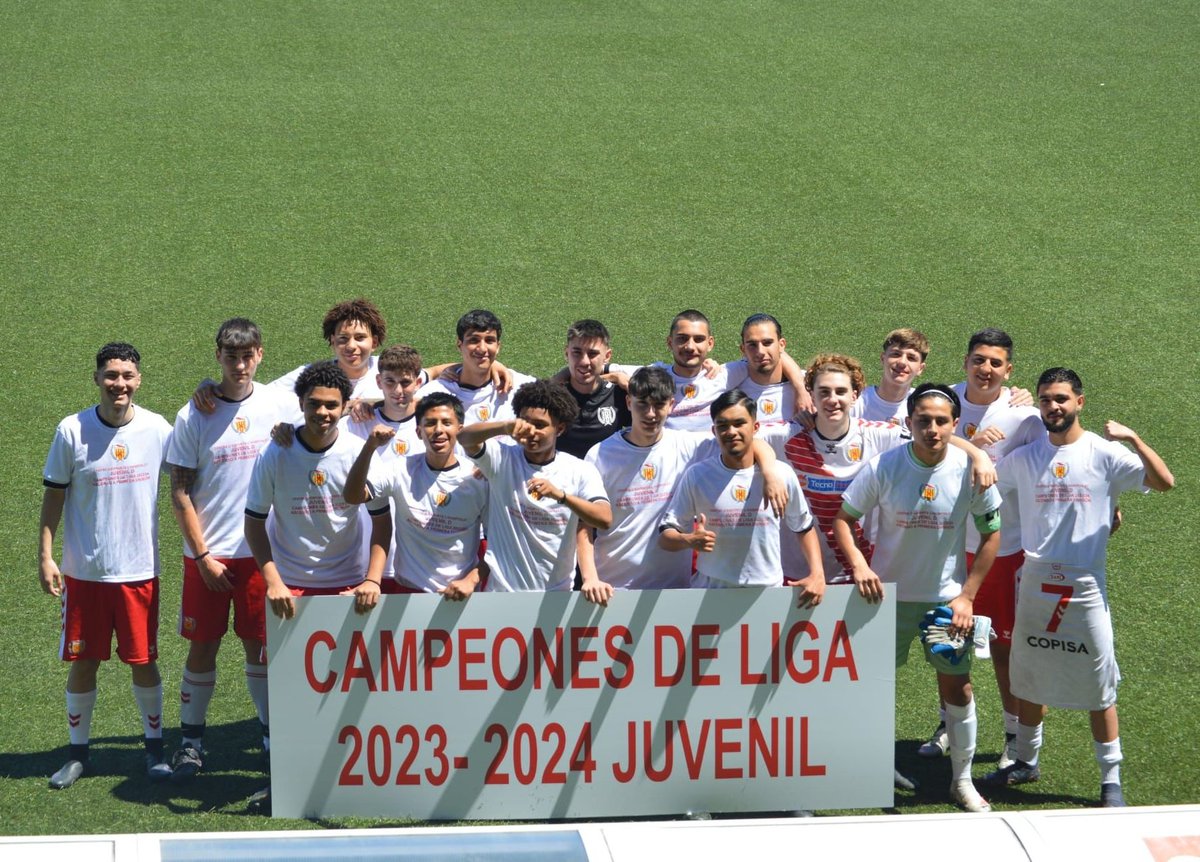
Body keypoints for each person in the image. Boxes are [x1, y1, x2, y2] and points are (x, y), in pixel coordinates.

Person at [982, 368, 1173, 807]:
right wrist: (972, 445)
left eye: (1061, 399)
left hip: (1084, 586)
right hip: (1033, 580)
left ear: (1079, 402)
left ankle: (1111, 780)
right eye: (1046, 399)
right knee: (1028, 679)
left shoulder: (1105, 452)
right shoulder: (1025, 457)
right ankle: (1026, 761)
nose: (1053, 407)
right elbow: (982, 481)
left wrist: (1133, 438)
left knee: (1098, 685)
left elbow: (1164, 482)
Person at [833, 383, 1003, 812]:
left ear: (955, 424)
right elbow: (843, 519)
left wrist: (967, 596)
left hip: (946, 604)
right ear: (908, 422)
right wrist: (860, 566)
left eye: (941, 421)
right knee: (873, 687)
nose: (933, 429)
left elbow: (992, 535)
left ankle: (961, 781)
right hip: (885, 601)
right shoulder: (885, 466)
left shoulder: (970, 470)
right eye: (923, 420)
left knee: (958, 688)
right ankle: (871, 767)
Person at [165, 319, 297, 782]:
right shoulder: (193, 414)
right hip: (209, 555)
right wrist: (203, 557)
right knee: (203, 645)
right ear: (217, 356)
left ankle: (270, 739)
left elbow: (345, 389)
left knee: (260, 647)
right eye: (231, 357)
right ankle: (191, 743)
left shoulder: (281, 404)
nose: (240, 366)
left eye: (247, 356)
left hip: (262, 553)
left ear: (260, 355)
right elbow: (180, 492)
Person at [39, 343, 174, 789]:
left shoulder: (157, 429)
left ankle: (154, 750)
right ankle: (78, 755)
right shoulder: (72, 430)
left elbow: (193, 470)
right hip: (86, 573)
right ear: (96, 378)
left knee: (144, 661)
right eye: (111, 375)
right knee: (84, 662)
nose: (119, 383)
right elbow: (54, 496)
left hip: (139, 571)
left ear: (139, 380)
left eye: (127, 375)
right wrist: (46, 555)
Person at [918, 329, 1044, 765]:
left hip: (1003, 550)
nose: (985, 369)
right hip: (947, 547)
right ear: (965, 362)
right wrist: (971, 447)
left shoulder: (1023, 416)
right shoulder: (942, 401)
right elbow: (912, 437)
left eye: (995, 363)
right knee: (948, 643)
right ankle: (948, 726)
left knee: (1007, 650)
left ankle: (1013, 737)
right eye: (978, 360)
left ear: (1009, 370)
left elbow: (1049, 467)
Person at [585, 367, 786, 591]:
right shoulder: (600, 454)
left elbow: (750, 442)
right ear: (628, 402)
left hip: (675, 588)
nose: (650, 414)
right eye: (642, 404)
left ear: (671, 405)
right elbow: (583, 524)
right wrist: (590, 578)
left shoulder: (687, 446)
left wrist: (769, 472)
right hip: (612, 586)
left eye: (659, 405)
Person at [243, 361, 391, 622]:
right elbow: (254, 523)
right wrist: (274, 582)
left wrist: (372, 579)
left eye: (331, 405)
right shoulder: (274, 453)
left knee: (350, 651)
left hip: (349, 583)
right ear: (301, 403)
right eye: (314, 404)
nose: (322, 412)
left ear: (345, 406)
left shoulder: (357, 451)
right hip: (288, 584)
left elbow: (382, 520)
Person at [658, 389, 824, 604]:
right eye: (723, 425)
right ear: (714, 431)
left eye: (739, 423)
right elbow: (665, 537)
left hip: (767, 595)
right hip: (710, 595)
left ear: (755, 427)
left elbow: (803, 527)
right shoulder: (697, 476)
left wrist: (817, 574)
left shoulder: (781, 475)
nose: (731, 432)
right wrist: (687, 540)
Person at [458, 379, 613, 599]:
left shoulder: (580, 470)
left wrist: (562, 497)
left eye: (540, 425)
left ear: (560, 429)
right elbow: (464, 438)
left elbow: (604, 519)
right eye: (525, 422)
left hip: (555, 597)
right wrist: (504, 427)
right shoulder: (501, 458)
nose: (530, 431)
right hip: (501, 594)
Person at [344, 392, 488, 597]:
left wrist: (470, 580)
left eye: (447, 423)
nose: (438, 430)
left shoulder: (478, 479)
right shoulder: (400, 469)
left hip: (460, 593)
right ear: (418, 432)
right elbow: (353, 496)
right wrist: (370, 447)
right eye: (430, 423)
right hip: (407, 592)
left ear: (460, 430)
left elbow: (498, 544)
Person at [417, 309, 535, 425]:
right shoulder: (433, 394)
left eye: (489, 340)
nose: (482, 348)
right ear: (459, 345)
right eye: (474, 340)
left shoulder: (518, 386)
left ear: (498, 346)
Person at [556, 320, 631, 459]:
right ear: (567, 353)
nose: (584, 361)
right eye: (577, 352)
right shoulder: (552, 398)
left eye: (592, 354)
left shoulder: (619, 396)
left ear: (607, 356)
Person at [730, 313, 813, 425]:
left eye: (767, 343)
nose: (760, 352)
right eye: (752, 345)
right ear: (743, 349)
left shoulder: (812, 386)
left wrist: (802, 388)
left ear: (781, 345)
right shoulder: (730, 386)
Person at [851, 328, 929, 425]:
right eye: (896, 354)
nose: (902, 362)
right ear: (883, 358)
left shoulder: (926, 407)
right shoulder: (856, 402)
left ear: (920, 368)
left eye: (911, 358)